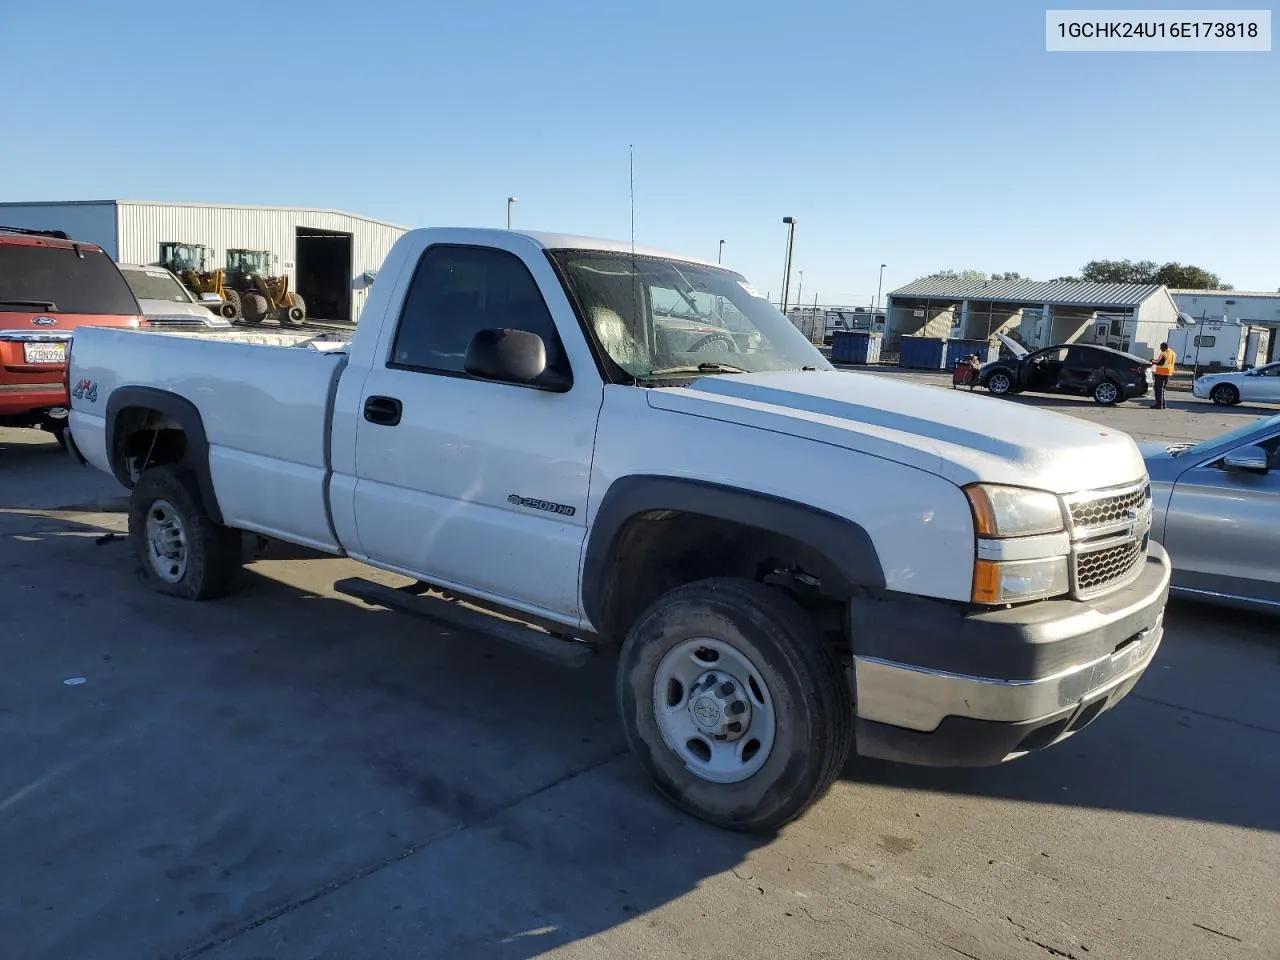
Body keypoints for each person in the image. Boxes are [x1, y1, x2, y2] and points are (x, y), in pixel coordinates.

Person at [1152, 341, 1176, 409]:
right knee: (1162, 389)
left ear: (1164, 347)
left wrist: (1153, 361)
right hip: (1168, 373)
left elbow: (1160, 363)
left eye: (1161, 347)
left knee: (1158, 389)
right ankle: (1163, 404)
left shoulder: (1164, 353)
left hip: (1161, 373)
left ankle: (1159, 405)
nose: (1160, 348)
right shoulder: (1173, 353)